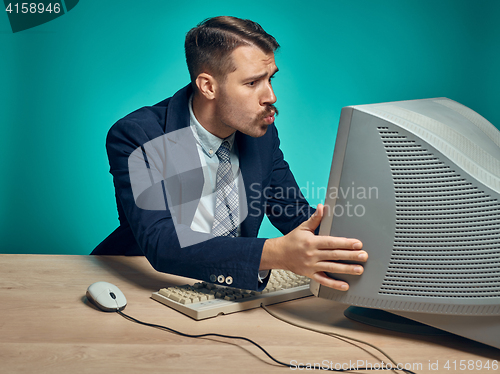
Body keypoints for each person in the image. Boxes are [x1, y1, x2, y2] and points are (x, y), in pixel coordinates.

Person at [92, 16, 367, 291]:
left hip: (229, 289)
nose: (270, 96)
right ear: (208, 86)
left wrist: (362, 251)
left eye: (270, 79)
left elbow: (294, 214)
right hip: (144, 289)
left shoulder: (261, 135)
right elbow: (163, 242)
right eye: (252, 83)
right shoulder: (140, 135)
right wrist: (274, 254)